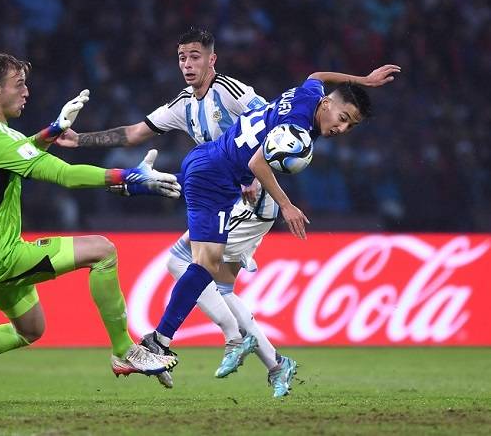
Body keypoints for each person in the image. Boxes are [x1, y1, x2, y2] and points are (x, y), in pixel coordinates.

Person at [0, 53, 180, 403]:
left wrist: (55, 129)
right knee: (103, 251)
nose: (26, 92)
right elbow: (63, 174)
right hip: (0, 255)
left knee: (30, 329)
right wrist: (129, 179)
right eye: (19, 85)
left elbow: (18, 153)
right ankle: (124, 349)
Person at [138, 62, 400, 397]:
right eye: (343, 117)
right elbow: (257, 162)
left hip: (222, 178)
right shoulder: (299, 129)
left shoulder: (309, 98)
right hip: (226, 182)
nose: (342, 128)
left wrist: (359, 81)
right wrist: (288, 206)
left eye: (351, 125)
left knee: (199, 270)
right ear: (326, 104)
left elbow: (316, 77)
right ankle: (260, 355)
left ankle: (219, 343)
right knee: (198, 269)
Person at [57, 28, 287, 395]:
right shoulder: (183, 104)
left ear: (212, 59)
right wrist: (79, 140)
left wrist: (253, 173)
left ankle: (206, 342)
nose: (187, 64)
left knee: (200, 270)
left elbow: (271, 122)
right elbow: (135, 133)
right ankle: (272, 362)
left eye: (195, 56)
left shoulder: (232, 92)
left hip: (250, 198)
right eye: (182, 57)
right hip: (222, 197)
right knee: (193, 269)